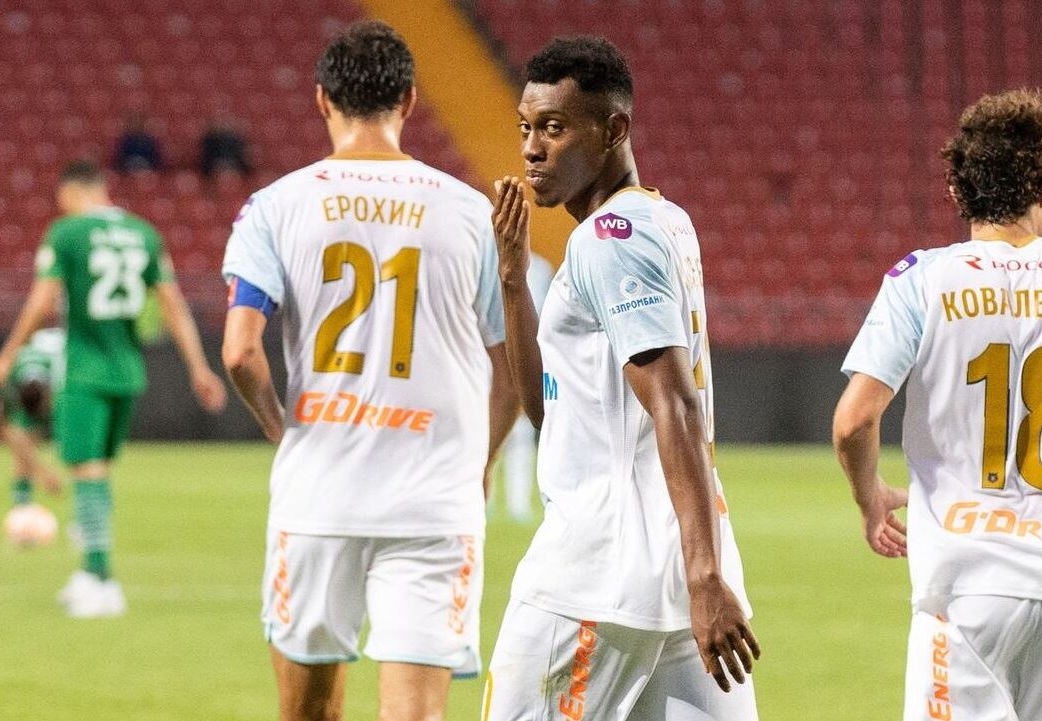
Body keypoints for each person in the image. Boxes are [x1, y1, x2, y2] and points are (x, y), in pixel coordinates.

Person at [220, 21, 519, 721]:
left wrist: (279, 427)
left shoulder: (274, 207)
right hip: (433, 499)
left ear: (322, 100)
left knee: (308, 711)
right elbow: (510, 368)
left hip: (319, 494)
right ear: (410, 101)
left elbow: (239, 349)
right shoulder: (470, 212)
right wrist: (481, 459)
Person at [485, 36, 759, 721]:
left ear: (612, 130)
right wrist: (514, 283)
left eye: (553, 127)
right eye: (525, 128)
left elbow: (674, 404)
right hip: (670, 585)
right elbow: (546, 409)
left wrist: (705, 578)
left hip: (593, 582)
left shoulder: (608, 238)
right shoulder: (663, 220)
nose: (530, 148)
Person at [834, 88, 1042, 721]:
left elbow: (854, 420)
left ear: (958, 194)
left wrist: (868, 496)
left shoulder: (921, 279)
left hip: (966, 591)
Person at [0, 160, 226, 618]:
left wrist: (7, 354)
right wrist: (198, 366)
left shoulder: (67, 233)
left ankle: (99, 578)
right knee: (97, 471)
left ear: (72, 192)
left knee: (87, 470)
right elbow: (173, 303)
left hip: (84, 371)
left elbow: (42, 300)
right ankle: (90, 567)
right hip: (127, 372)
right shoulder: (144, 233)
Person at [498, 251, 552, 523]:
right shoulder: (487, 259)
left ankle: (517, 503)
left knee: (520, 433)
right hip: (492, 355)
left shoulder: (542, 268)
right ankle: (483, 499)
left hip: (526, 356)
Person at [0, 327, 66, 509]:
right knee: (23, 443)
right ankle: (22, 509)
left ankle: (22, 506)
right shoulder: (5, 378)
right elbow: (3, 427)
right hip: (23, 372)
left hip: (61, 353)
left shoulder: (60, 378)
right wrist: (43, 473)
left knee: (28, 441)